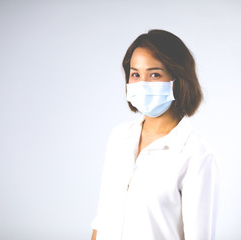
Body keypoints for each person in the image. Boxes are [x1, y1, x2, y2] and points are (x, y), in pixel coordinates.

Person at [91, 29, 219, 240]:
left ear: (177, 80)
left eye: (154, 74)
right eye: (135, 74)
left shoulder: (195, 154)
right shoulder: (119, 138)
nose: (143, 83)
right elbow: (103, 219)